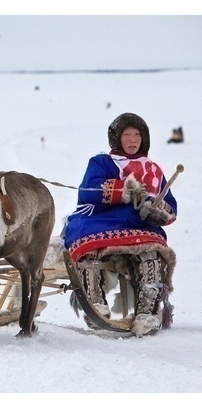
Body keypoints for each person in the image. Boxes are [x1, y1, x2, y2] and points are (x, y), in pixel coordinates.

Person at [64, 112, 178, 337]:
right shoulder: (101, 162)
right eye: (127, 134)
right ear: (117, 137)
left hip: (140, 225)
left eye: (137, 135)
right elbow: (90, 189)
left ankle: (148, 313)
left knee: (151, 252)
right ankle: (95, 305)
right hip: (99, 220)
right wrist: (126, 190)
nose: (133, 140)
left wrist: (157, 210)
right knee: (90, 249)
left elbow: (170, 206)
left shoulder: (153, 170)